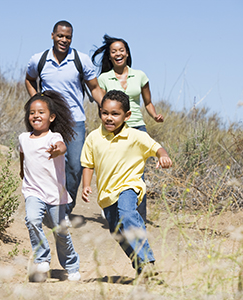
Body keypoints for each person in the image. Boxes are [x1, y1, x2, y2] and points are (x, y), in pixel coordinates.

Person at [80, 90, 172, 276]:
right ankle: (141, 267)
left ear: (127, 115)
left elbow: (157, 148)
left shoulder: (135, 136)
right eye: (105, 113)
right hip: (106, 195)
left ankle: (147, 260)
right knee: (118, 233)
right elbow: (88, 164)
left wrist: (164, 156)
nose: (109, 118)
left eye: (115, 114)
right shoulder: (93, 138)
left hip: (129, 186)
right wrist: (86, 185)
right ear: (99, 112)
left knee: (128, 214)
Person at [25, 20, 103, 215]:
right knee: (47, 163)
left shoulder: (80, 60)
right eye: (60, 36)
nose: (64, 40)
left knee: (75, 166)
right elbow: (29, 79)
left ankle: (66, 208)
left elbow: (94, 88)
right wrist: (37, 102)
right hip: (49, 122)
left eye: (68, 37)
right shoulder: (39, 59)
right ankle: (47, 206)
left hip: (75, 120)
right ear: (52, 35)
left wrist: (106, 107)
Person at [19, 91, 80, 282]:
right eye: (32, 112)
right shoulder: (23, 137)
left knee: (60, 232)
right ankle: (42, 258)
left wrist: (57, 150)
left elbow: (62, 146)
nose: (36, 115)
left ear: (51, 117)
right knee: (32, 219)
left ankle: (71, 265)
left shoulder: (54, 137)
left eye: (41, 112)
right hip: (33, 191)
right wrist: (22, 171)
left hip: (55, 193)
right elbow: (23, 155)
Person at [92, 34, 163, 132]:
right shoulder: (103, 78)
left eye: (121, 50)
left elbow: (148, 103)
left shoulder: (140, 75)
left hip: (138, 127)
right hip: (115, 128)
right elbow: (102, 107)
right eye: (114, 51)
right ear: (109, 56)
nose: (118, 54)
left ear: (127, 53)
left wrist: (155, 116)